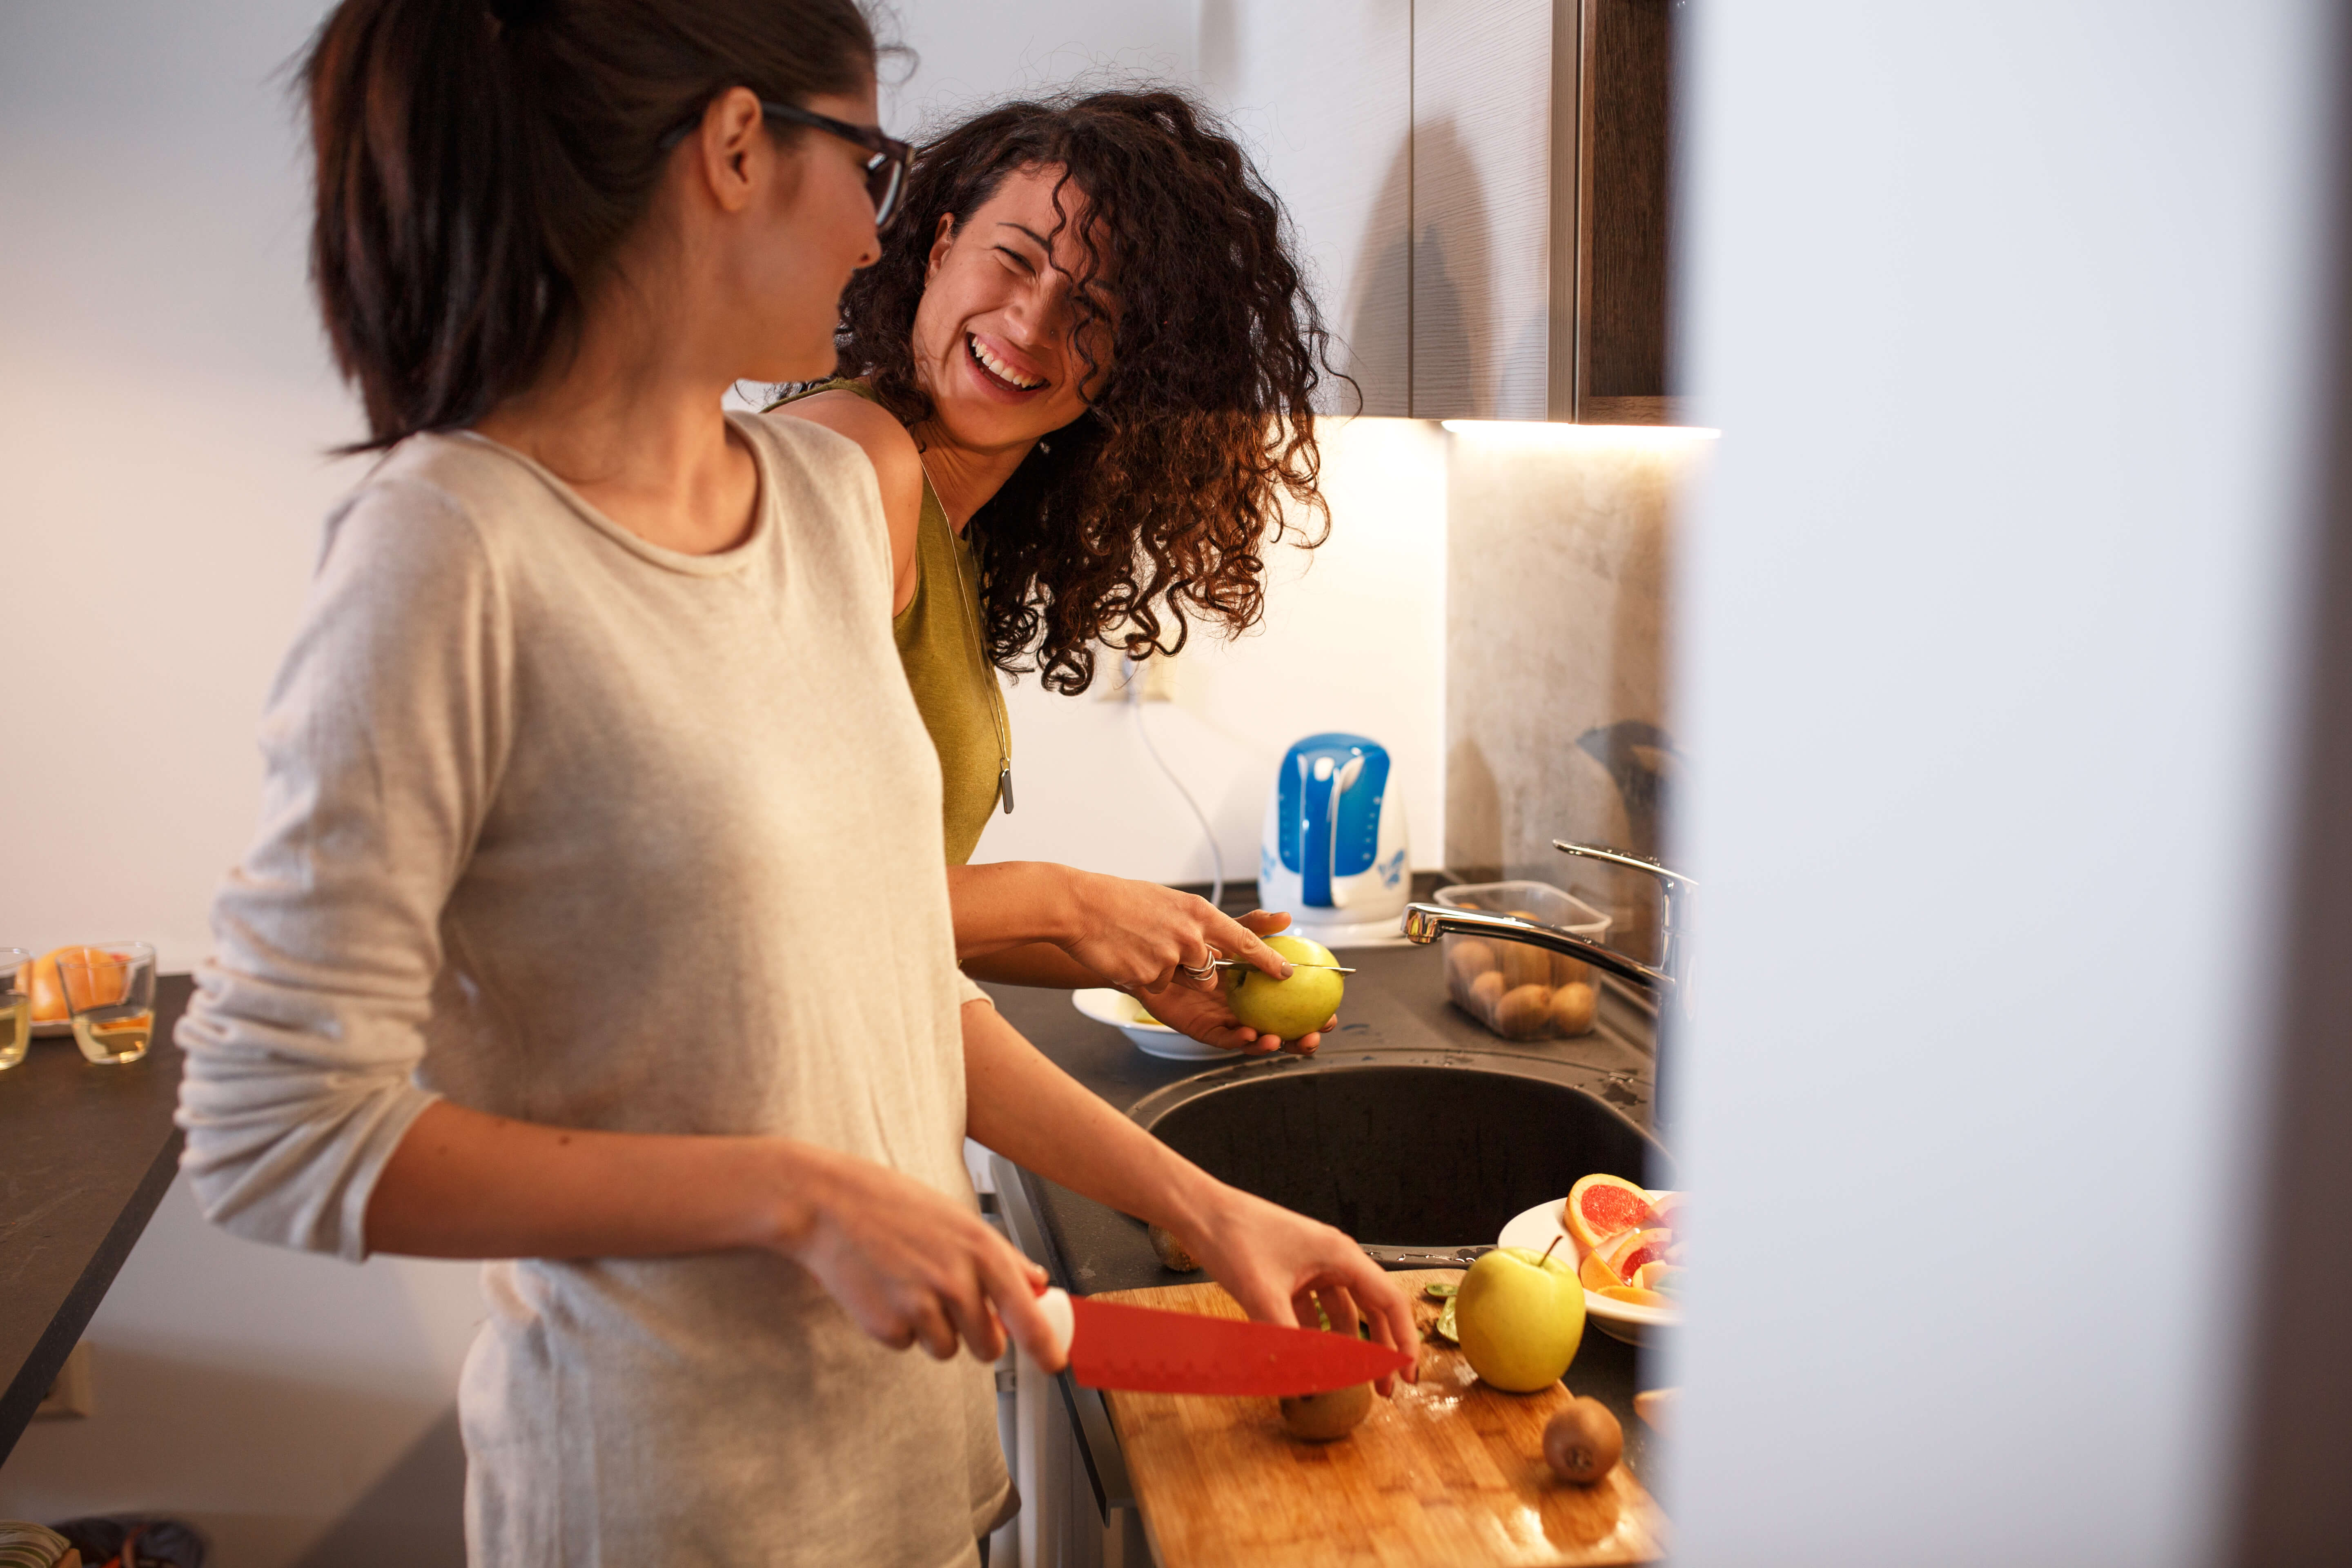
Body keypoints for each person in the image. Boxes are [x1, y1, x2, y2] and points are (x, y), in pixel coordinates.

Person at [173, 4, 1416, 1564]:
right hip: (666, 1501)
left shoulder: (833, 502)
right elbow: (270, 1130)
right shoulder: (455, 547)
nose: (873, 233)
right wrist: (791, 1199)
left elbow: (884, 985)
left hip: (908, 1472)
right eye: (872, 162)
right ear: (738, 150)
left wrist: (1201, 1207)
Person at [774, 90, 1350, 1057]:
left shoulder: (947, 510)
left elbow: (892, 906)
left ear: (1132, 361)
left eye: (1092, 308)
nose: (1034, 324)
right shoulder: (849, 463)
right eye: (1015, 259)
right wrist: (1068, 901)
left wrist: (1146, 953)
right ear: (940, 244)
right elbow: (763, 893)